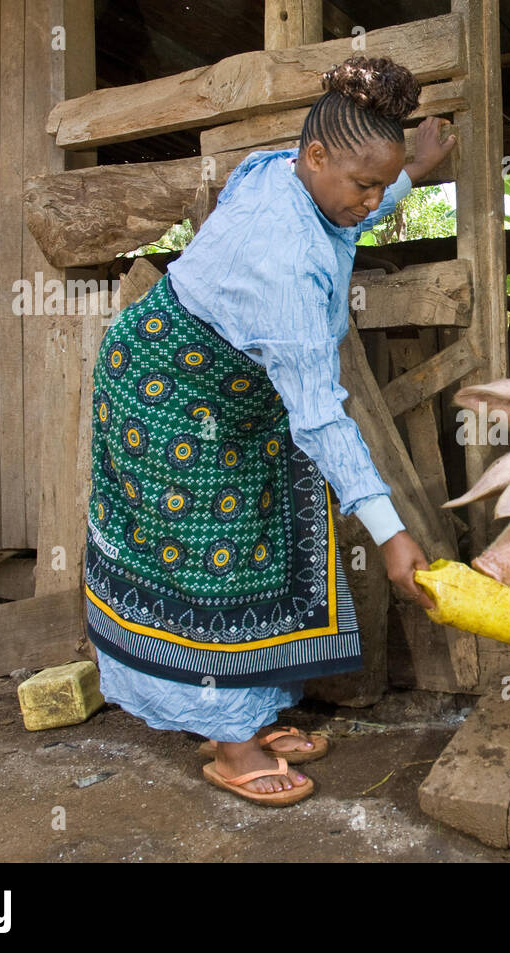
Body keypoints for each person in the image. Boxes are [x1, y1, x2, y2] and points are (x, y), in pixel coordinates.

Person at [84, 55, 452, 806]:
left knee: (262, 538)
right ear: (315, 157)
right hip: (165, 391)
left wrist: (409, 171)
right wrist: (390, 533)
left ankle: (249, 707)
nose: (373, 201)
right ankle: (229, 738)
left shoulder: (285, 171)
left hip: (229, 390)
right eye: (364, 185)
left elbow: (350, 205)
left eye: (382, 186)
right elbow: (318, 413)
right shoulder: (284, 262)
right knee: (207, 566)